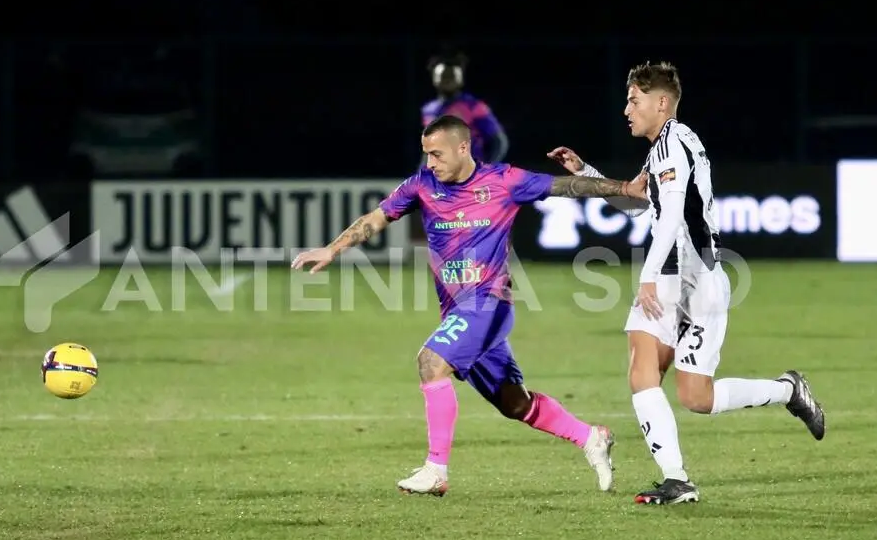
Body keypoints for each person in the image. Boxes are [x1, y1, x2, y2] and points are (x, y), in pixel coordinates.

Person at [292, 114, 647, 496]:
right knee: (514, 404)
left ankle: (436, 469)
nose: (430, 163)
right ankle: (590, 436)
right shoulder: (421, 185)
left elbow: (567, 186)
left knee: (430, 362)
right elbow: (376, 218)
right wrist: (333, 249)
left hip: (488, 303)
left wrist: (625, 187)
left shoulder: (503, 181)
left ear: (464, 147)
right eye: (427, 155)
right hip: (457, 309)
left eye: (437, 154)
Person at [547, 61, 826, 505]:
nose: (626, 109)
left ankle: (788, 390)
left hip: (694, 281)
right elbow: (642, 207)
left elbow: (673, 216)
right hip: (677, 278)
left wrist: (649, 277)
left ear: (661, 103)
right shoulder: (664, 148)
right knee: (643, 371)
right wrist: (587, 172)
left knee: (697, 397)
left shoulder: (673, 146)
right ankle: (677, 480)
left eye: (634, 100)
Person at [421, 51, 508, 165]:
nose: (447, 80)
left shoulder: (474, 107)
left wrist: (487, 169)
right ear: (434, 78)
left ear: (460, 79)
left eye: (452, 76)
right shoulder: (428, 110)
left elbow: (498, 141)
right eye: (443, 76)